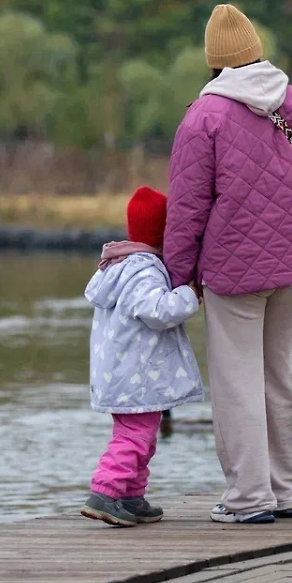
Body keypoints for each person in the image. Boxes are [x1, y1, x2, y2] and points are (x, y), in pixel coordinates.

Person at [165, 3, 292, 524]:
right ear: (256, 51)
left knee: (237, 381)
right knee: (278, 376)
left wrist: (178, 279)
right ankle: (286, 493)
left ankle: (247, 498)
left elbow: (187, 208)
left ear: (214, 62)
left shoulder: (204, 117)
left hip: (234, 271)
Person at [80, 186, 204, 528]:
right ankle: (104, 492)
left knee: (142, 436)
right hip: (137, 376)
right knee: (134, 437)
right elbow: (157, 311)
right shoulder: (144, 270)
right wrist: (188, 295)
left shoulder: (120, 266)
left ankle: (131, 496)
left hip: (123, 375)